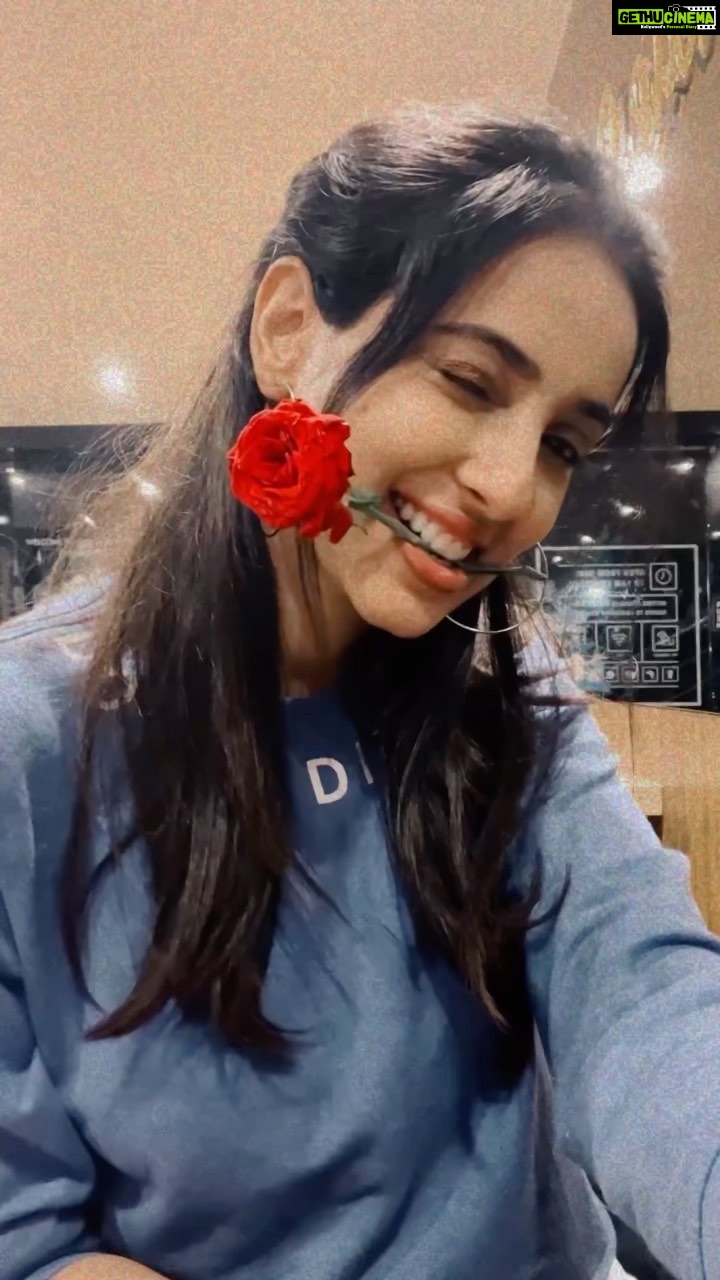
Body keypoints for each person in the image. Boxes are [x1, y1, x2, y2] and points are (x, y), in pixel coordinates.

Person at [0, 100, 717, 1280]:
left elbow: (644, 992)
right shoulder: (33, 735)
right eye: (471, 380)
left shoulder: (505, 687)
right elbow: (25, 1234)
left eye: (563, 444)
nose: (510, 489)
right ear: (288, 327)